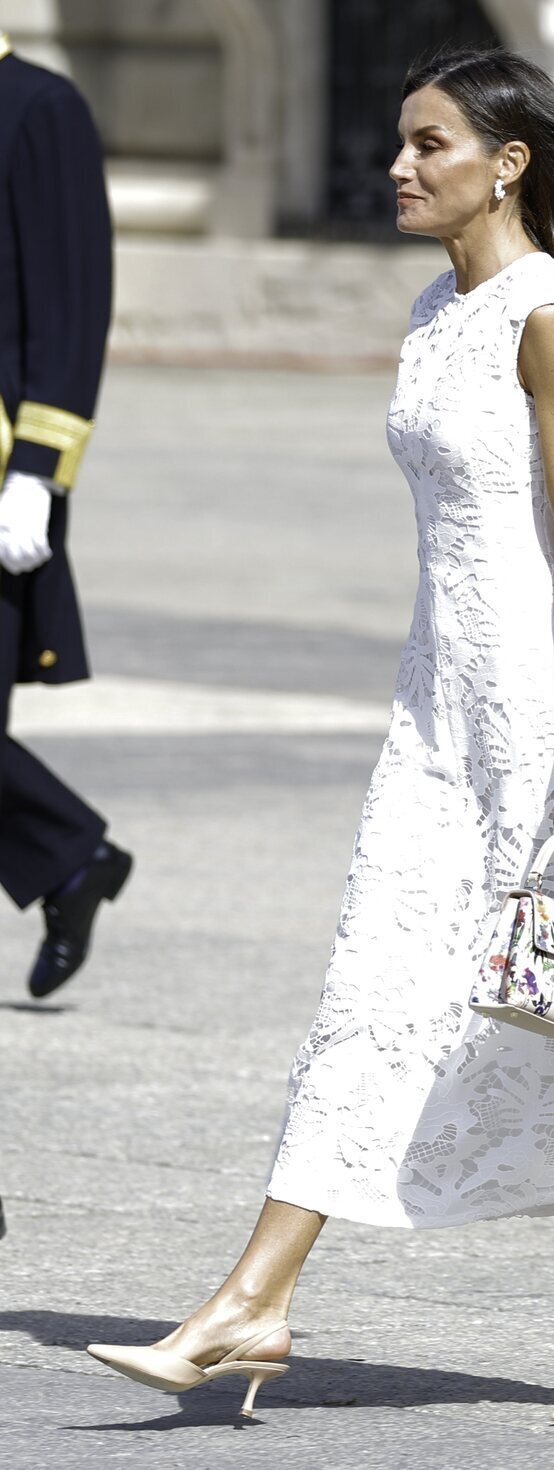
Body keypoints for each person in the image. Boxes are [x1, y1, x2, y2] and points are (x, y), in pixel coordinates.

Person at [87, 46, 554, 1428]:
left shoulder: (548, 317)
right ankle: (255, 1296)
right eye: (401, 142)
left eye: (430, 143)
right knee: (374, 982)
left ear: (507, 163)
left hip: (549, 711)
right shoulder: (432, 305)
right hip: (438, 705)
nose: (401, 165)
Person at [0, 32, 133, 1005]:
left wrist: (38, 475)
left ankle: (69, 855)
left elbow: (68, 310)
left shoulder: (40, 109)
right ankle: (70, 856)